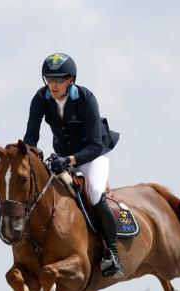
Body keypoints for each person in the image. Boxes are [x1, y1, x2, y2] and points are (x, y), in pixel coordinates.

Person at [24, 53, 123, 278]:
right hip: (61, 157)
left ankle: (113, 254)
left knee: (95, 192)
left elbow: (96, 145)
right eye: (49, 79)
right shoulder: (40, 99)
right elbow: (31, 137)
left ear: (71, 80)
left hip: (92, 156)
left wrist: (69, 161)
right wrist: (28, 158)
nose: (53, 85)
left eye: (59, 80)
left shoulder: (87, 99)